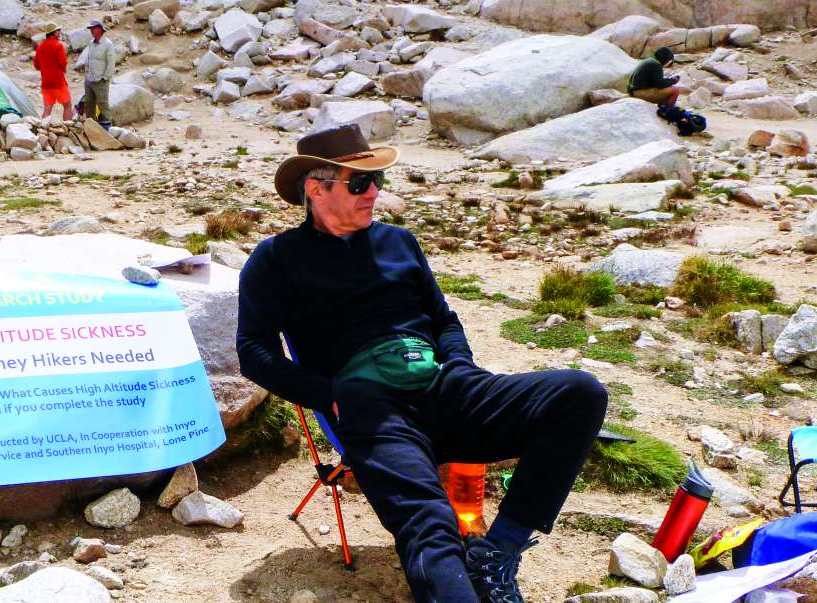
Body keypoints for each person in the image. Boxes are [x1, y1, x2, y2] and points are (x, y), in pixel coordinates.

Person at [235, 124, 608, 603]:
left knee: (579, 394)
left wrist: (461, 366)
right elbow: (255, 353)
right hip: (369, 407)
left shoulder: (399, 243)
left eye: (378, 182)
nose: (373, 193)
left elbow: (444, 320)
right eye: (359, 183)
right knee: (431, 523)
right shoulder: (275, 260)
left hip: (443, 384)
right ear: (316, 188)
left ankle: (497, 553)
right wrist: (329, 395)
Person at [80, 19, 117, 128]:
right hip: (90, 79)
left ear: (100, 30)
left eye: (93, 28)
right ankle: (92, 128)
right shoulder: (91, 43)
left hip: (100, 80)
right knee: (89, 105)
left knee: (103, 105)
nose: (91, 31)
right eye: (91, 29)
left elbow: (111, 63)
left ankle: (110, 128)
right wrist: (87, 73)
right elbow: (89, 58)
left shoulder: (108, 45)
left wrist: (105, 77)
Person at [33, 23, 73, 121]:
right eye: (57, 30)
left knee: (47, 108)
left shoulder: (40, 47)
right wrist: (64, 70)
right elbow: (63, 62)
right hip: (58, 81)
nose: (59, 32)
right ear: (52, 33)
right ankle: (68, 128)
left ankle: (43, 129)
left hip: (46, 83)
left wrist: (45, 69)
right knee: (67, 105)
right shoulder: (58, 45)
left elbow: (36, 65)